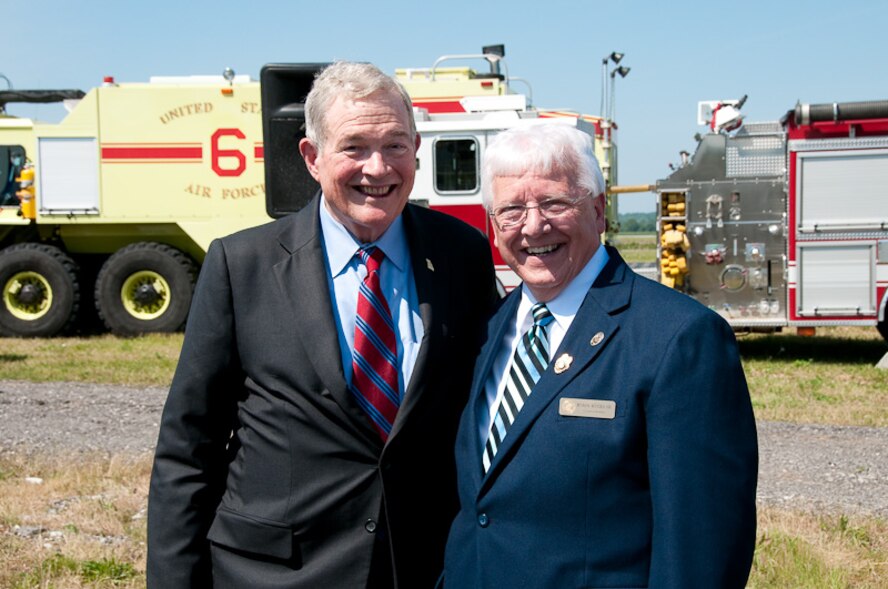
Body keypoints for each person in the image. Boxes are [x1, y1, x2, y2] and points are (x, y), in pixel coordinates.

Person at [147, 61, 498, 589]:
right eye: (354, 147)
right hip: (275, 573)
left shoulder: (461, 255)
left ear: (417, 148)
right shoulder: (240, 266)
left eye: (396, 145)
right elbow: (187, 450)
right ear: (312, 157)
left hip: (423, 566)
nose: (378, 169)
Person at [441, 124, 758, 588]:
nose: (533, 226)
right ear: (493, 224)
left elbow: (702, 548)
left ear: (597, 209)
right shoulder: (490, 326)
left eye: (553, 203)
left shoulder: (679, 338)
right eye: (511, 211)